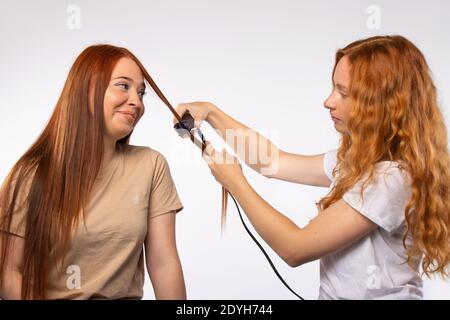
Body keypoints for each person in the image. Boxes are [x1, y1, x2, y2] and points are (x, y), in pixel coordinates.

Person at [174, 35, 450, 299]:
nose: (328, 101)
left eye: (343, 93)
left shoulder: (391, 179)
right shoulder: (358, 163)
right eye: (333, 88)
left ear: (381, 106)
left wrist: (235, 182)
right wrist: (211, 113)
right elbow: (272, 161)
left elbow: (295, 248)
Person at [0, 45, 186, 300]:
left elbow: (163, 263)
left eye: (141, 93)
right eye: (123, 86)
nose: (137, 102)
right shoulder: (29, 174)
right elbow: (9, 271)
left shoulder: (151, 166)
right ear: (86, 90)